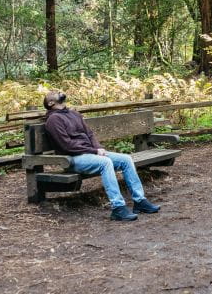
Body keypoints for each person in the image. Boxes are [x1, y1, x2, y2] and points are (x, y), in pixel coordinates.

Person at [42, 90, 160, 221]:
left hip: (89, 152)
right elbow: (66, 146)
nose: (58, 91)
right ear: (51, 103)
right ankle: (118, 208)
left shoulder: (73, 114)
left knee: (126, 159)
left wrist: (98, 148)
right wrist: (94, 151)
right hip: (72, 158)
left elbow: (90, 134)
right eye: (53, 92)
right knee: (105, 162)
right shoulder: (53, 120)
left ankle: (140, 201)